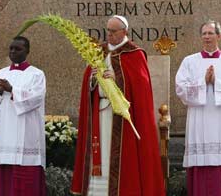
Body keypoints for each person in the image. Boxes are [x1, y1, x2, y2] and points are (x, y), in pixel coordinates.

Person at [70, 15, 165, 196]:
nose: (110, 35)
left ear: (125, 32)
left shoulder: (135, 53)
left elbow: (142, 87)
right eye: (108, 31)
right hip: (100, 113)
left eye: (114, 31)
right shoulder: (98, 52)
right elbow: (87, 83)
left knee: (122, 158)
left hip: (121, 117)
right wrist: (92, 79)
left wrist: (118, 79)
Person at [175, 20, 221, 196]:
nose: (206, 37)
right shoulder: (189, 61)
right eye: (204, 33)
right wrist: (203, 82)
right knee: (201, 163)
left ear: (219, 36)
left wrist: (216, 82)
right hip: (199, 120)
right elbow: (180, 89)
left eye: (210, 33)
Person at [0, 36, 46, 196]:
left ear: (27, 51)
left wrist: (13, 90)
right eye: (11, 48)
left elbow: (36, 97)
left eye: (17, 49)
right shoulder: (0, 74)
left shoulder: (37, 74)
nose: (13, 52)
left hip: (26, 135)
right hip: (4, 133)